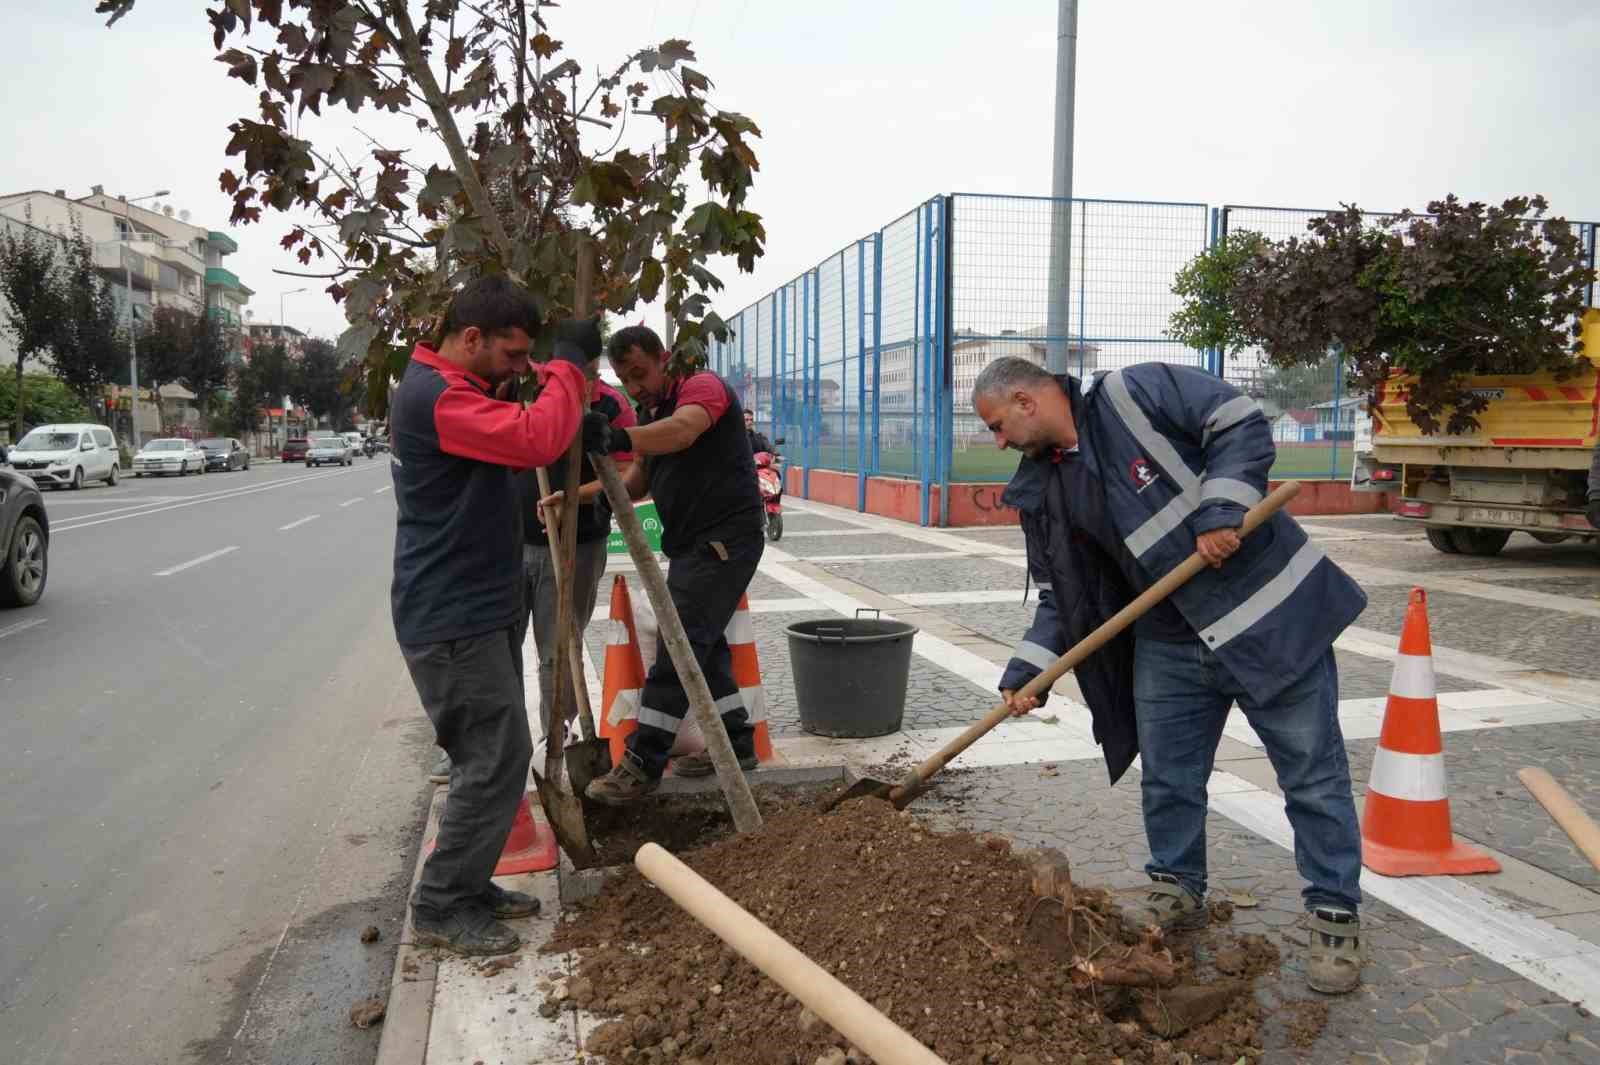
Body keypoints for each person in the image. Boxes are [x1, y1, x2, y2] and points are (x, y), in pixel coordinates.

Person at [972, 356, 1368, 995]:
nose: (998, 442)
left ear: (1024, 400)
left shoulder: (1137, 393)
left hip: (1262, 621)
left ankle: (1334, 914)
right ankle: (1177, 889)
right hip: (1168, 641)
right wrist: (1029, 671)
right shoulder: (1042, 489)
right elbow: (1059, 596)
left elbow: (1239, 421)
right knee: (1169, 779)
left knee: (1312, 775)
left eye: (997, 424)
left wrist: (1221, 510)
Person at [391, 275, 599, 956]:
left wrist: (575, 412)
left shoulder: (463, 388)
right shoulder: (437, 398)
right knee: (495, 755)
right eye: (512, 355)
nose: (521, 369)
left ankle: (470, 883)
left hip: (477, 605)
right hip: (452, 615)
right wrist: (567, 366)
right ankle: (442, 901)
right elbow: (534, 439)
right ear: (471, 338)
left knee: (496, 756)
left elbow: (531, 430)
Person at [580, 325, 765, 804]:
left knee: (677, 644)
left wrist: (619, 432)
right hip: (691, 547)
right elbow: (639, 477)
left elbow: (683, 433)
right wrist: (588, 499)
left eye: (641, 373)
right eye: (626, 380)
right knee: (702, 646)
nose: (636, 387)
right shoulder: (651, 410)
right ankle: (737, 742)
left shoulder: (701, 388)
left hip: (726, 541)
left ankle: (643, 763)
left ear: (664, 358)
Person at [520, 360, 637, 742]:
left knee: (559, 651)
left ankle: (558, 737)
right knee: (492, 646)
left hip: (578, 544)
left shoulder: (611, 406)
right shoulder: (520, 392)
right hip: (506, 542)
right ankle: (483, 742)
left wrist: (572, 499)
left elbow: (628, 473)